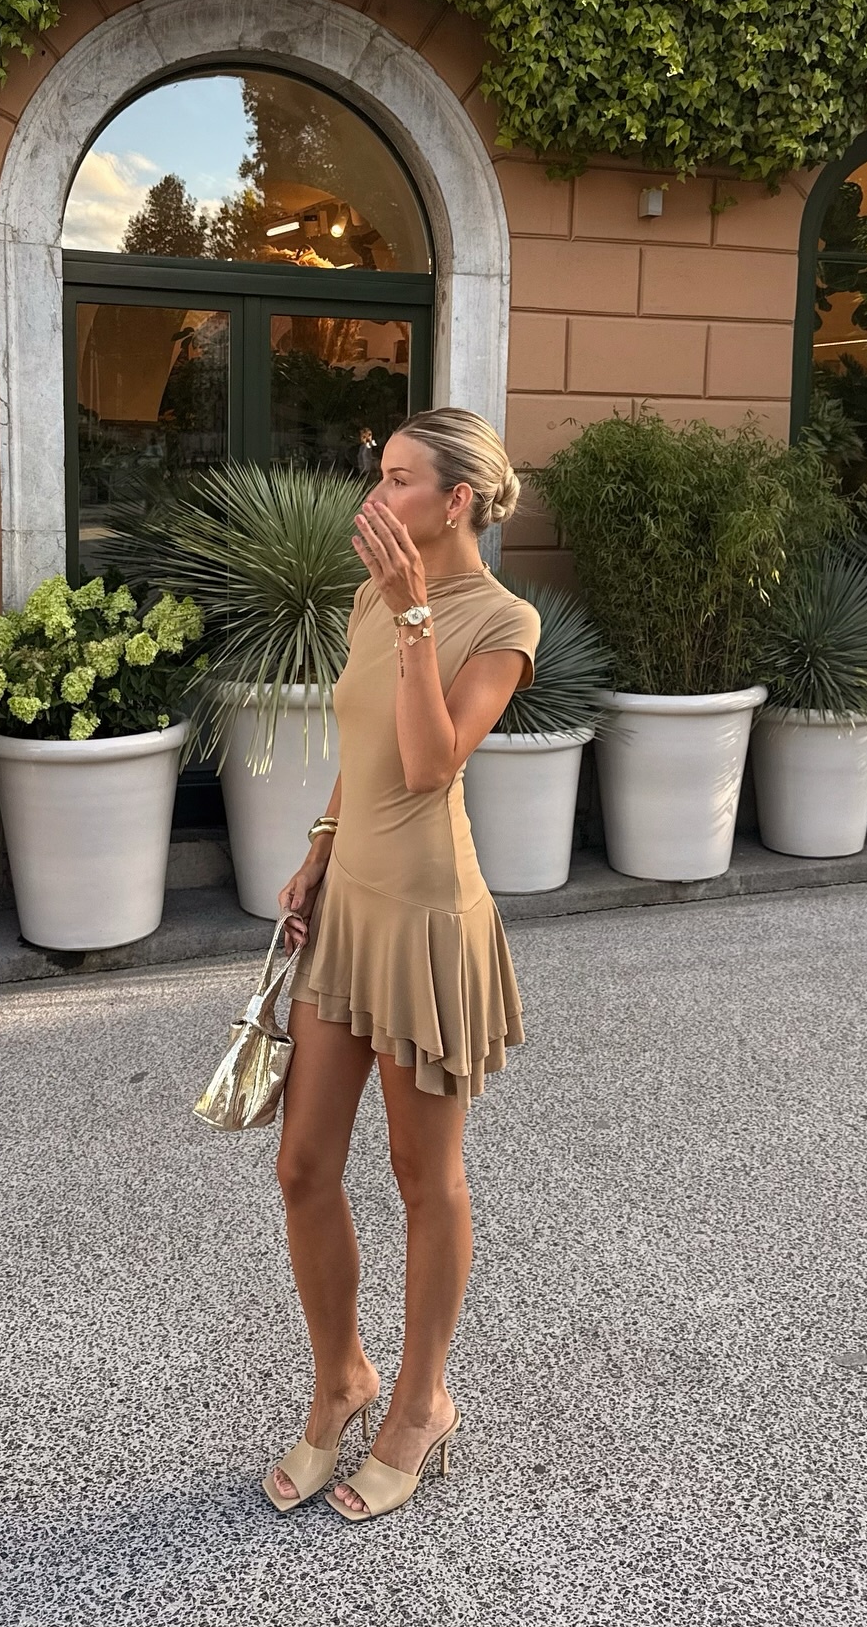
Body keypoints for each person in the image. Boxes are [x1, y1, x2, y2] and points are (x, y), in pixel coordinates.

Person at [260, 407, 542, 1524]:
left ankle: (422, 1401)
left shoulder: (502, 620)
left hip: (427, 918)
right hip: (352, 907)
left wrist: (419, 614)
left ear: (456, 499)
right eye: (377, 476)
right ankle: (344, 1377)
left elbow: (429, 763)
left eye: (398, 479)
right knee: (301, 1164)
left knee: (425, 1176)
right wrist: (319, 848)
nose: (375, 499)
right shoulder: (369, 599)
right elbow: (365, 745)